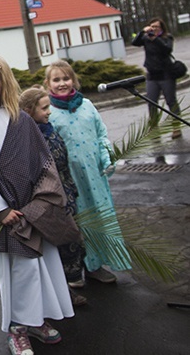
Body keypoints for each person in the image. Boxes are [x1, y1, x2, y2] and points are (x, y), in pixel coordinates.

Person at [0, 56, 74, 355]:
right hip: (10, 211)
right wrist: (0, 211)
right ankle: (18, 328)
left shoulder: (20, 119)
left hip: (34, 206)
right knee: (20, 270)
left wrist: (42, 200)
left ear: (5, 83)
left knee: (43, 266)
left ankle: (37, 320)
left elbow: (43, 161)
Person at [44, 59, 131, 286]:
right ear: (48, 84)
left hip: (95, 175)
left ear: (74, 80)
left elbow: (101, 134)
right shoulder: (49, 113)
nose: (62, 83)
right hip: (70, 179)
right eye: (56, 79)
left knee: (99, 218)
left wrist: (107, 157)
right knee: (79, 223)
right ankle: (81, 267)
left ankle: (97, 265)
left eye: (66, 78)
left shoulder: (88, 105)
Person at [19, 86, 87, 307]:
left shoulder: (48, 128)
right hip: (52, 199)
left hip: (66, 192)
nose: (49, 111)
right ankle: (64, 292)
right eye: (44, 107)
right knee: (62, 242)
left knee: (73, 239)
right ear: (29, 110)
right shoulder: (30, 137)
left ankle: (72, 285)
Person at [131, 17, 181, 139]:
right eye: (151, 26)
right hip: (152, 76)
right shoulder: (146, 38)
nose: (153, 29)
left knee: (171, 101)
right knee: (151, 102)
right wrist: (142, 32)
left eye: (156, 27)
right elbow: (135, 42)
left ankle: (176, 127)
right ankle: (154, 128)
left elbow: (167, 49)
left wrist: (156, 39)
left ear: (161, 28)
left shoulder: (167, 38)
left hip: (166, 75)